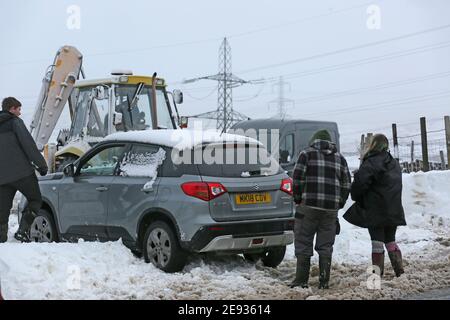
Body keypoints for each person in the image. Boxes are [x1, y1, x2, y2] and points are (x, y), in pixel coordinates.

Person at [290, 129, 351, 289]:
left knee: (303, 241)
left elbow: (296, 178)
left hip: (308, 206)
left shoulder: (306, 154)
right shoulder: (340, 158)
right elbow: (346, 184)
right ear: (330, 142)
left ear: (314, 140)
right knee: (326, 245)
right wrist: (339, 203)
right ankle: (324, 281)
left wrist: (297, 198)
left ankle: (301, 280)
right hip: (330, 209)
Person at [345, 134, 406, 277]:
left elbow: (360, 184)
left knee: (377, 243)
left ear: (373, 145)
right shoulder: (394, 163)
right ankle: (400, 272)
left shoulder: (371, 162)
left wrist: (356, 196)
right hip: (393, 209)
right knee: (390, 240)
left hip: (375, 210)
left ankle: (377, 276)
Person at [0, 97, 48, 243]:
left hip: (2, 178)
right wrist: (42, 165)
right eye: (18, 109)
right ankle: (22, 231)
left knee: (2, 210)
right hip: (23, 174)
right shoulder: (15, 123)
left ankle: (1, 240)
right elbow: (28, 144)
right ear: (11, 109)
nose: (20, 113)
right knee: (35, 199)